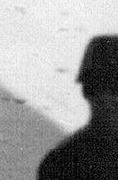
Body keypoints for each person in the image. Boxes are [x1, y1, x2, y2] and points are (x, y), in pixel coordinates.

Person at [38, 35, 118, 179]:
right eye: (111, 88)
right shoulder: (64, 163)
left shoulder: (62, 161)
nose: (115, 99)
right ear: (89, 91)